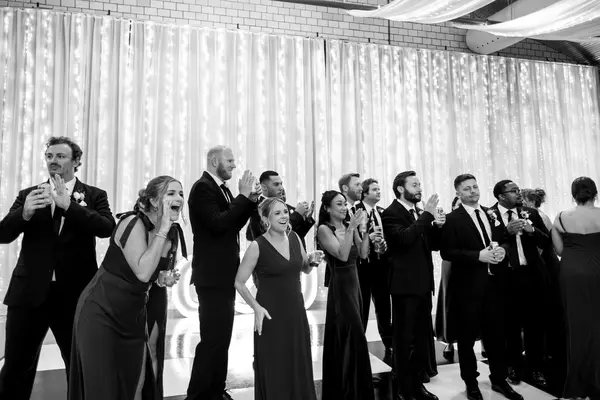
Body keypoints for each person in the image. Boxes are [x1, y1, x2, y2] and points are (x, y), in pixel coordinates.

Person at [0, 136, 115, 399]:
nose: (53, 161)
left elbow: (106, 228)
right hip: (28, 294)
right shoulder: (29, 194)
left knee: (78, 364)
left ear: (76, 161)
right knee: (16, 365)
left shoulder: (95, 195)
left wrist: (69, 207)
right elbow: (3, 234)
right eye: (49, 156)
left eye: (60, 156)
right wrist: (24, 213)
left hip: (74, 295)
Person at [69, 176, 185, 399]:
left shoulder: (170, 233)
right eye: (170, 193)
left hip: (133, 315)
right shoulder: (132, 223)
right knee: (103, 387)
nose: (178, 198)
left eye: (180, 193)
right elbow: (142, 272)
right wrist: (162, 229)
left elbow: (151, 274)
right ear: (153, 200)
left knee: (135, 382)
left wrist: (164, 278)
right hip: (101, 311)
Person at [186, 145, 261, 400]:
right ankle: (198, 395)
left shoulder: (221, 189)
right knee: (212, 340)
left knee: (221, 339)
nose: (233, 165)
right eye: (229, 160)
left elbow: (233, 224)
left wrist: (249, 201)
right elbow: (218, 224)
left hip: (223, 275)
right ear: (214, 160)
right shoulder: (202, 187)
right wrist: (243, 196)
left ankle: (216, 390)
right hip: (212, 276)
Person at [441, 174, 522, 400]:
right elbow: (447, 252)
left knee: (496, 335)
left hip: (495, 284)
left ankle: (499, 379)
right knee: (467, 339)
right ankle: (471, 383)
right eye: (467, 189)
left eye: (475, 187)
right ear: (458, 193)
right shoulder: (452, 219)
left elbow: (504, 238)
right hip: (467, 288)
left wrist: (504, 249)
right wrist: (478, 255)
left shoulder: (491, 213)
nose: (473, 191)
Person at [235, 197, 322, 400]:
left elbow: (304, 268)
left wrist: (312, 261)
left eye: (285, 212)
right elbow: (239, 282)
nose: (284, 216)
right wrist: (256, 307)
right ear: (266, 219)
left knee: (297, 362)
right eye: (277, 213)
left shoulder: (295, 238)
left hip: (296, 312)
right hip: (270, 314)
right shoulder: (257, 246)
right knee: (275, 366)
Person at [381, 171, 443, 400]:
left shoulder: (418, 213)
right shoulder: (391, 213)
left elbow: (433, 246)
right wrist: (426, 216)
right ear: (400, 188)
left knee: (420, 339)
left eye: (419, 184)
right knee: (405, 340)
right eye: (414, 185)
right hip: (405, 286)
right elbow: (404, 239)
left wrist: (437, 226)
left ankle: (417, 385)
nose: (419, 189)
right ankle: (404, 389)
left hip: (423, 284)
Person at [490, 180, 550, 390]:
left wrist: (532, 230)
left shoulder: (530, 213)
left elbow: (546, 242)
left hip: (532, 275)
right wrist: (506, 231)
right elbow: (487, 242)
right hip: (506, 277)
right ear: (501, 196)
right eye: (513, 191)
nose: (518, 193)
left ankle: (536, 368)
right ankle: (513, 367)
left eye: (518, 190)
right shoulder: (489, 215)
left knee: (535, 325)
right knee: (510, 326)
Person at [317, 190, 375, 400]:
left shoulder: (349, 226)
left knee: (357, 334)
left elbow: (363, 254)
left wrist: (365, 231)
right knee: (352, 334)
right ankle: (347, 389)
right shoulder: (324, 229)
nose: (344, 208)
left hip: (355, 285)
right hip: (341, 287)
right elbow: (342, 255)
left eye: (344, 204)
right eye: (339, 204)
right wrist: (351, 228)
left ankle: (359, 388)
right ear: (327, 208)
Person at [551, 177, 600, 400]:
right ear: (595, 193)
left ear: (573, 195)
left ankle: (577, 386)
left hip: (571, 273)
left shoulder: (561, 217)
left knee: (576, 326)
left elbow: (560, 251)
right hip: (597, 271)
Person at [354, 178, 392, 360]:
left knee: (384, 307)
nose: (378, 192)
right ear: (364, 193)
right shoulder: (356, 211)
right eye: (374, 189)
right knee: (362, 307)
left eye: (379, 189)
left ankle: (389, 343)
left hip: (381, 266)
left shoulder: (382, 212)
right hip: (362, 267)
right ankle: (359, 345)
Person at [246, 170, 315, 248]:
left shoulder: (283, 205)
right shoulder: (258, 208)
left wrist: (306, 219)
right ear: (264, 187)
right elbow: (269, 235)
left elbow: (296, 235)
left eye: (281, 184)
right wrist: (297, 215)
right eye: (276, 184)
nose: (281, 188)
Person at [435, 196, 461, 362]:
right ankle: (449, 341)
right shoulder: (447, 221)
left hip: (473, 263)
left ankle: (483, 341)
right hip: (451, 264)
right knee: (449, 302)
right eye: (458, 205)